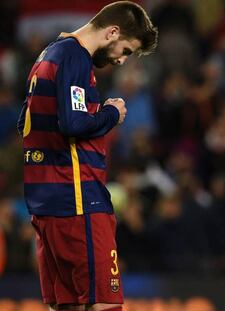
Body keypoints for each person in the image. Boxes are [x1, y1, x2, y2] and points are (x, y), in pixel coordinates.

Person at [16, 2, 158, 311]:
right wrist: (110, 113)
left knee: (69, 306)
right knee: (105, 303)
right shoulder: (74, 57)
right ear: (112, 32)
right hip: (78, 203)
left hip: (48, 204)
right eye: (126, 50)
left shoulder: (48, 55)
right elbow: (73, 124)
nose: (121, 60)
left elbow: (24, 123)